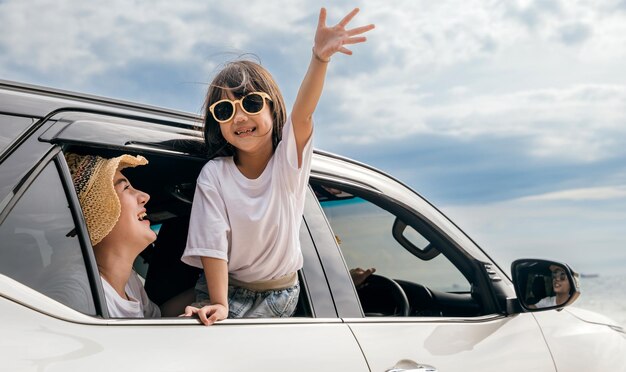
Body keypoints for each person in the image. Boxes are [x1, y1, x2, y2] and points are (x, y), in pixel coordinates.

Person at [181, 8, 375, 325]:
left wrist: (320, 59)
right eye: (225, 109)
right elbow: (211, 241)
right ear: (218, 122)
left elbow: (303, 115)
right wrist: (219, 302)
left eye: (251, 103)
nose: (239, 117)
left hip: (277, 294)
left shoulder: (288, 165)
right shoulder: (215, 174)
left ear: (272, 108)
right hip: (223, 287)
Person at [65, 153, 161, 318]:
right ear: (100, 213)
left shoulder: (130, 280)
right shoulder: (79, 294)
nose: (145, 196)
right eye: (126, 188)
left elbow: (161, 320)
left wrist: (209, 297)